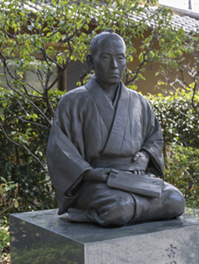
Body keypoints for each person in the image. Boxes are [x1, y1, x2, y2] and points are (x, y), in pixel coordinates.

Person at [46, 30, 185, 227]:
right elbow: (60, 150)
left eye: (120, 58)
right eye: (105, 58)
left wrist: (145, 155)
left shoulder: (139, 102)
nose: (114, 65)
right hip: (95, 181)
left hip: (136, 178)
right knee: (120, 207)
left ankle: (103, 212)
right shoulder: (73, 101)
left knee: (176, 200)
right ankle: (86, 209)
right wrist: (91, 173)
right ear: (91, 61)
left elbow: (154, 139)